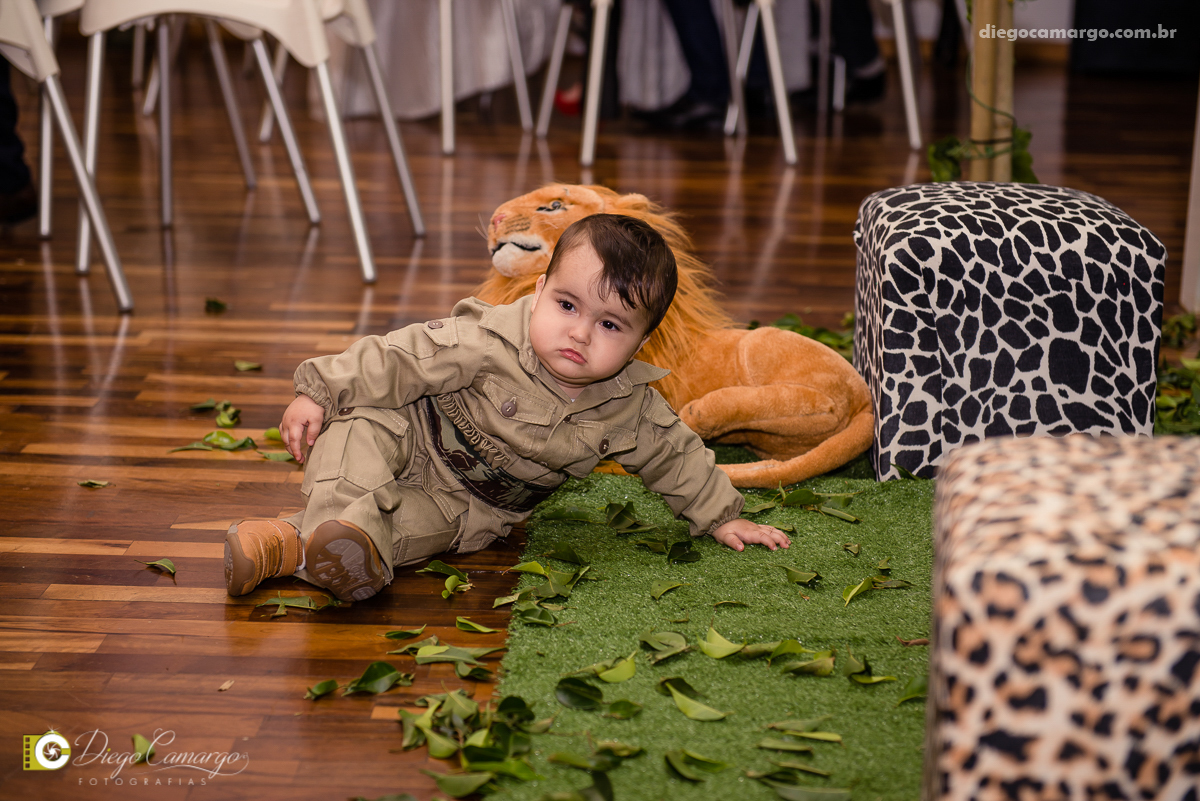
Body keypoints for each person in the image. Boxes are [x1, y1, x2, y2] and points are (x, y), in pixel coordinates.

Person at [224, 214, 790, 602]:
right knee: (357, 430)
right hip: (409, 430)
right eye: (567, 305)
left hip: (472, 505)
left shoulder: (629, 408)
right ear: (538, 291)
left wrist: (723, 515)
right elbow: (401, 356)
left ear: (641, 342)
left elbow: (677, 455)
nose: (580, 333)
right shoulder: (487, 339)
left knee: (398, 534)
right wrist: (321, 388)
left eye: (610, 325)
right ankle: (339, 525)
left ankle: (283, 545)